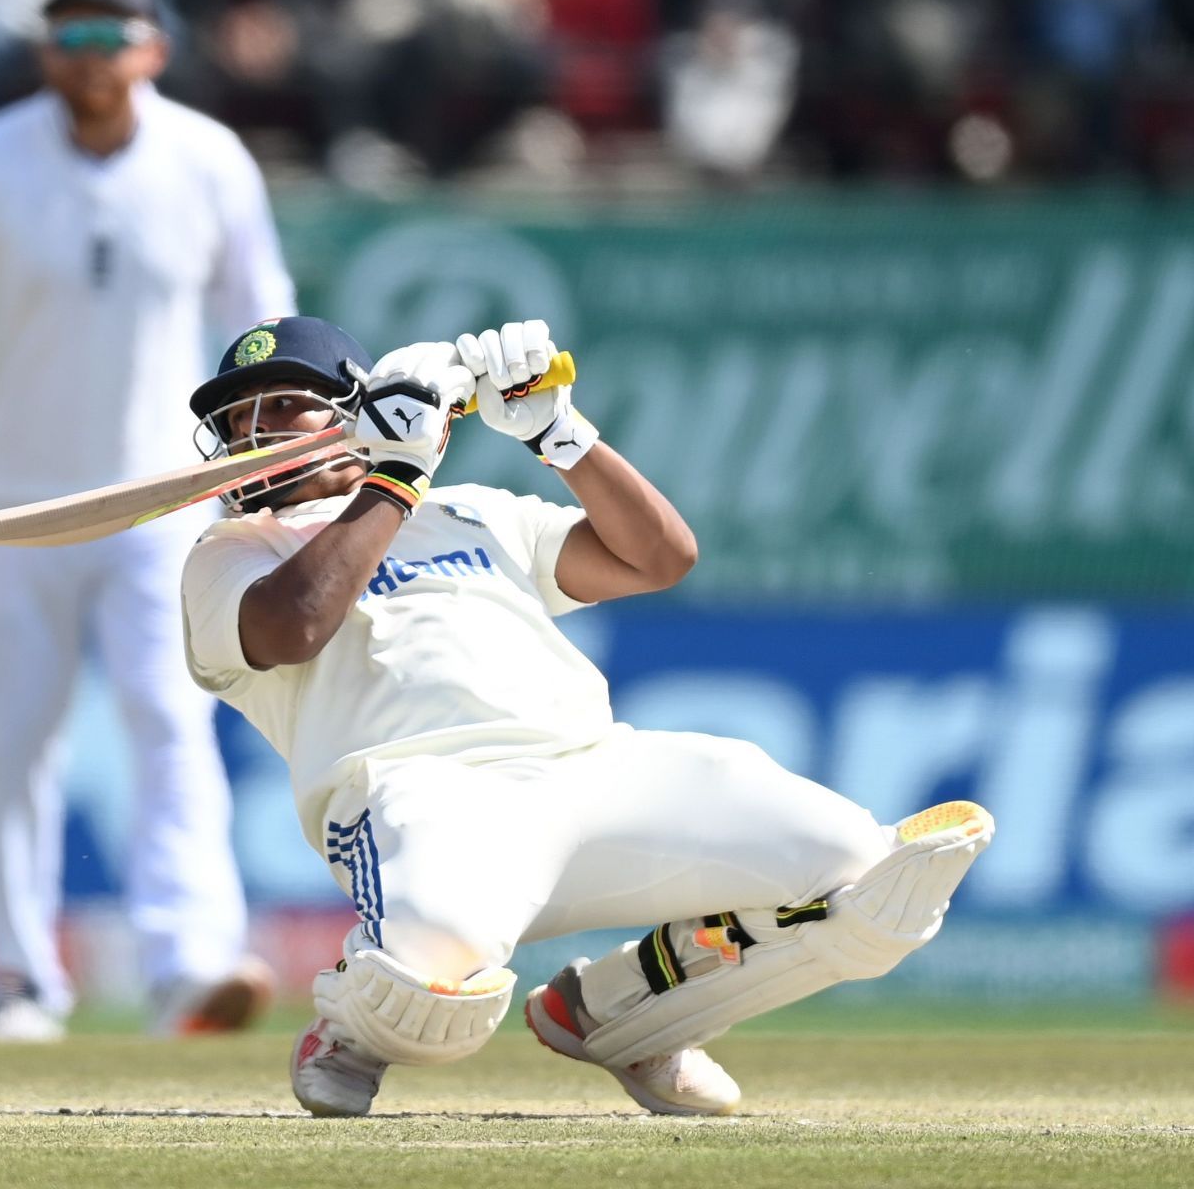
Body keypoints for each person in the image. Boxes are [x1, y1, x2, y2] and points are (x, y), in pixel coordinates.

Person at [178, 315, 994, 1115]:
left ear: (357, 408)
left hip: (594, 769)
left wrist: (559, 432)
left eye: (283, 405)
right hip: (426, 796)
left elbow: (660, 557)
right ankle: (353, 1031)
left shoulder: (473, 511)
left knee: (872, 883)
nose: (255, 433)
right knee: (429, 1006)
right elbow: (296, 626)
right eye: (236, 418)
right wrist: (394, 475)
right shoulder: (233, 556)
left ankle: (621, 1009)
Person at [0, 0, 294, 1042]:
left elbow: (261, 318)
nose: (86, 59)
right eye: (68, 38)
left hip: (162, 497)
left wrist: (273, 454)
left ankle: (189, 962)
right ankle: (18, 974)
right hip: (13, 503)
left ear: (153, 47)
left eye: (109, 38)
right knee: (7, 743)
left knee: (172, 719)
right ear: (44, 52)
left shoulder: (207, 159)